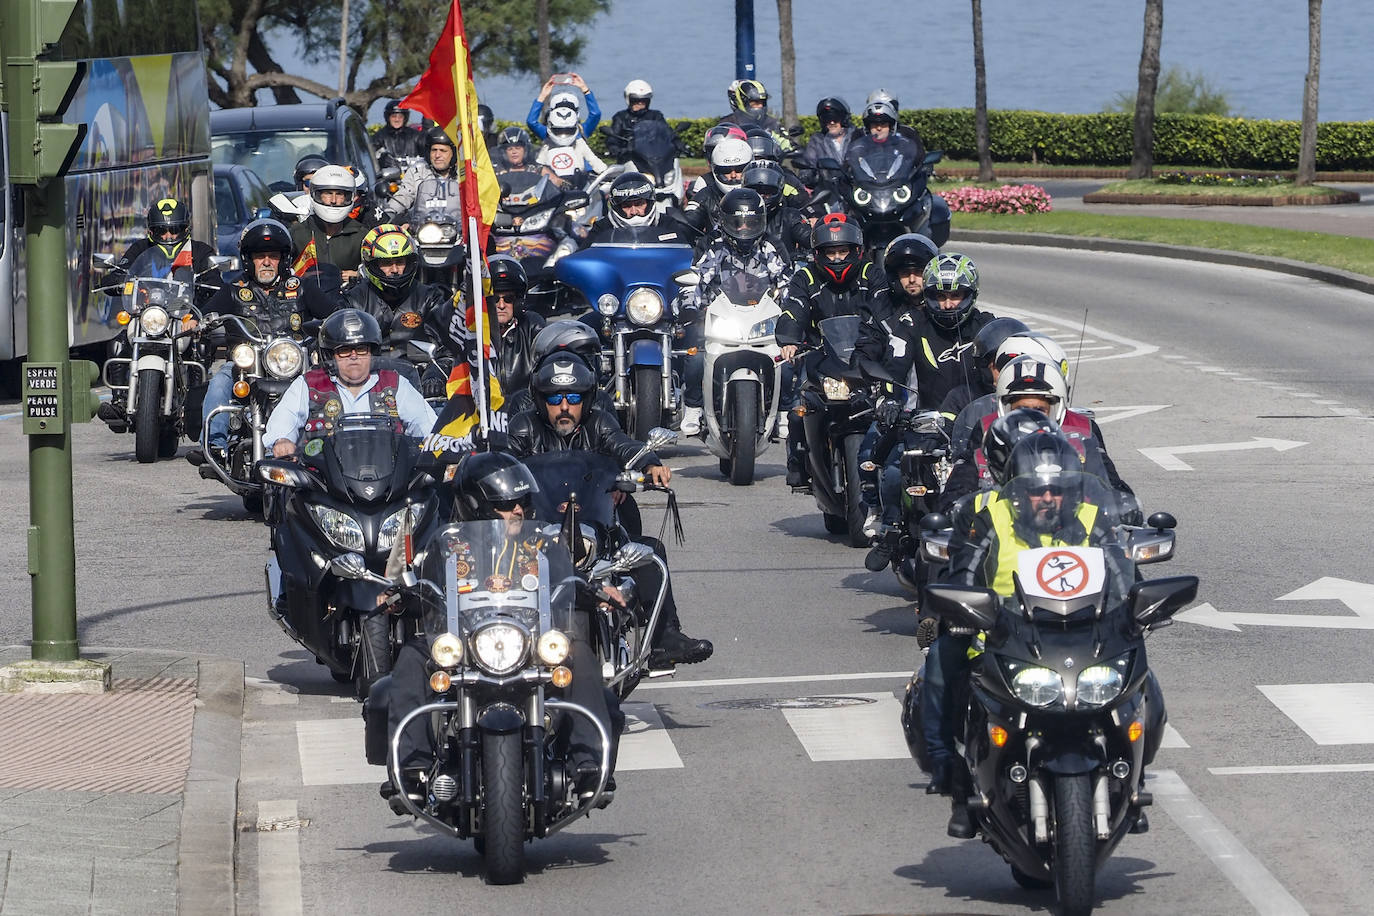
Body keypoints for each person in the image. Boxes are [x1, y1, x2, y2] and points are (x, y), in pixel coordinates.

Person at [373, 450, 623, 806]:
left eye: (521, 502)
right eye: (506, 504)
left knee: (578, 653)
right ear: (477, 506)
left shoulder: (543, 545)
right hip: (463, 647)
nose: (518, 511)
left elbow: (569, 582)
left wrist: (595, 590)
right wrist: (400, 596)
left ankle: (588, 767)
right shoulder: (444, 550)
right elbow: (423, 592)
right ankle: (411, 770)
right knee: (413, 658)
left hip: (532, 646)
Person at [930, 430, 1118, 837]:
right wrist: (965, 610)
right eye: (1037, 491)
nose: (1047, 498)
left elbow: (1121, 578)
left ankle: (1132, 769)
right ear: (1018, 493)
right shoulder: (990, 518)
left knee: (1142, 677)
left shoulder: (1092, 519)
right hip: (999, 640)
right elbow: (962, 575)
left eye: (1057, 490)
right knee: (943, 661)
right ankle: (956, 781)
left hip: (1084, 641)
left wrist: (1135, 612)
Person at [506, 356, 713, 666]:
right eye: (555, 398)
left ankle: (663, 638)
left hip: (596, 526)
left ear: (586, 400)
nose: (564, 406)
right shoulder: (525, 427)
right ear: (540, 400)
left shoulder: (600, 423)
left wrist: (649, 463)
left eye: (573, 397)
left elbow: (623, 444)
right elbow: (504, 458)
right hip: (540, 530)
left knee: (649, 552)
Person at [190, 219, 341, 465]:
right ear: (249, 260)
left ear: (283, 260)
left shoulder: (302, 288)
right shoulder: (234, 290)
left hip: (296, 364)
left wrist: (335, 322)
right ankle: (214, 445)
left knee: (330, 384)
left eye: (273, 256)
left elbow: (335, 312)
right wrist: (193, 322)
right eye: (260, 256)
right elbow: (203, 315)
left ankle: (336, 441)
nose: (267, 262)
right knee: (219, 380)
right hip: (246, 368)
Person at [776, 214, 886, 486]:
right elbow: (794, 308)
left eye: (842, 251)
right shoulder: (805, 277)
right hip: (821, 356)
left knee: (890, 409)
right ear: (817, 254)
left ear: (856, 250)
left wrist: (880, 339)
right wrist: (790, 338)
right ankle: (798, 460)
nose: (837, 258)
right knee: (798, 410)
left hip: (866, 356)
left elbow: (884, 311)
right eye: (830, 252)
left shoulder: (871, 274)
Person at [678, 188, 793, 436]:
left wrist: (791, 311)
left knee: (787, 360)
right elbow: (695, 280)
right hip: (719, 320)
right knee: (696, 356)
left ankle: (784, 412)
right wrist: (689, 307)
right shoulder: (711, 245)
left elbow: (787, 283)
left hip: (762, 321)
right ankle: (693, 407)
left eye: (750, 223)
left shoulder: (772, 246)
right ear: (724, 221)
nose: (743, 229)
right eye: (737, 223)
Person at [261, 309, 437, 457]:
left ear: (371, 352)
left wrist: (434, 440)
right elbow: (286, 417)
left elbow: (424, 422)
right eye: (344, 350)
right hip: (323, 482)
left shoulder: (394, 383)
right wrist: (282, 440)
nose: (354, 356)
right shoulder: (308, 384)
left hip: (391, 482)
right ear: (331, 355)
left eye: (361, 349)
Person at [345, 224, 448, 338]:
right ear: (372, 264)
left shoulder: (429, 298)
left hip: (415, 356)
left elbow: (444, 345)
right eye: (386, 263)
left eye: (400, 262)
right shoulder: (353, 300)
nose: (394, 270)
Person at [289, 164, 368, 285]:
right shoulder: (297, 233)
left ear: (349, 197)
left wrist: (359, 275)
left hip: (349, 299)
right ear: (317, 194)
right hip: (306, 298)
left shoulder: (361, 234)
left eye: (340, 194)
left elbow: (376, 271)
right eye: (328, 193)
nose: (333, 200)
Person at [486, 255, 546, 396]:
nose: (501, 305)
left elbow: (549, 363)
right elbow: (448, 357)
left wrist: (530, 400)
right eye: (495, 299)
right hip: (478, 410)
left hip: (522, 412)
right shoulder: (470, 330)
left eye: (508, 299)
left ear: (518, 302)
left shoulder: (532, 327)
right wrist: (433, 377)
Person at [585, 170, 694, 246]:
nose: (634, 211)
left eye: (639, 204)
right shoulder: (602, 227)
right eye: (626, 206)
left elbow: (685, 256)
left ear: (650, 202)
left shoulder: (667, 224)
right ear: (616, 207)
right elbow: (584, 258)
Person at [681, 136, 752, 245]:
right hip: (717, 255)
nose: (733, 175)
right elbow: (689, 223)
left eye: (739, 169)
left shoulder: (761, 192)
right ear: (716, 170)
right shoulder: (706, 195)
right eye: (726, 170)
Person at [383, 126, 462, 221]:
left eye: (443, 151)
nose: (437, 155)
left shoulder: (464, 172)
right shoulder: (418, 170)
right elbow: (405, 194)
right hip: (423, 227)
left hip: (458, 227)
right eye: (434, 150)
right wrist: (391, 211)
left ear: (453, 153)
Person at [537, 95, 607, 188]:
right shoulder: (547, 145)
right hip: (553, 190)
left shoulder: (579, 142)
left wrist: (606, 172)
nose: (563, 135)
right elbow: (538, 166)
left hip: (581, 186)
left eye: (568, 131)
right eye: (559, 131)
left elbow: (594, 160)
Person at [605, 79, 683, 162]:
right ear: (629, 100)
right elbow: (613, 138)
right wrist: (615, 149)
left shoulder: (656, 116)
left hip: (655, 159)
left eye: (643, 101)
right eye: (636, 101)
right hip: (629, 160)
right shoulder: (621, 117)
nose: (640, 104)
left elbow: (667, 133)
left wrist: (678, 143)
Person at [742, 162, 808, 260]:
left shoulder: (789, 217)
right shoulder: (735, 217)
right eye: (756, 191)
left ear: (779, 190)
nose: (762, 196)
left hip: (783, 272)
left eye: (767, 191)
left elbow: (810, 240)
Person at [719, 79, 796, 153]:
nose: (759, 106)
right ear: (742, 101)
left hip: (769, 163)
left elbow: (785, 141)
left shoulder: (772, 123)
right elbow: (718, 145)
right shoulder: (727, 123)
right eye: (755, 102)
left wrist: (789, 147)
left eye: (762, 102)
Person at [526, 72, 601, 143]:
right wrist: (543, 95)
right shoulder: (548, 133)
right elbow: (531, 122)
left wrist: (585, 89)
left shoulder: (581, 131)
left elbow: (596, 114)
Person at [798, 97, 859, 181]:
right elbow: (808, 164)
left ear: (844, 119)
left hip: (857, 187)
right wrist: (808, 176)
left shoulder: (857, 137)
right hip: (828, 189)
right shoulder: (817, 141)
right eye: (827, 119)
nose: (832, 122)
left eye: (835, 118)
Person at [372, 99, 423, 169]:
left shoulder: (416, 136)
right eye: (393, 116)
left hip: (413, 175)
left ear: (405, 118)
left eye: (400, 117)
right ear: (388, 117)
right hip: (388, 176)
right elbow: (371, 158)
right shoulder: (379, 137)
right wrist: (383, 160)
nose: (397, 120)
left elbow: (426, 155)